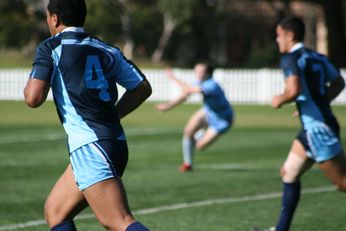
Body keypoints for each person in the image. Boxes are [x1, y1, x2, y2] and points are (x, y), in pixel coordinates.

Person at [24, 0, 152, 230]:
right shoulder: (107, 49)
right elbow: (142, 87)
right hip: (111, 141)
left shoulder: (51, 47)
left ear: (54, 18)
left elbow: (33, 99)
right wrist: (115, 114)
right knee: (56, 212)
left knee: (119, 222)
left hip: (91, 146)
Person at [254, 17, 346, 231]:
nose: (277, 41)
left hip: (318, 130)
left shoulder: (289, 59)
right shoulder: (317, 56)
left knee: (342, 183)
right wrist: (315, 103)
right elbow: (339, 82)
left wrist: (280, 98)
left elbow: (294, 89)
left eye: (278, 36)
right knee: (289, 172)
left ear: (289, 35)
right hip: (314, 126)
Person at [155, 63, 233, 172]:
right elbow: (185, 95)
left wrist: (173, 78)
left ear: (208, 73)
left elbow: (188, 90)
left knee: (200, 146)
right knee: (188, 130)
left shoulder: (212, 85)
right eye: (196, 71)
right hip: (208, 112)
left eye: (201, 72)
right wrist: (167, 106)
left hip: (222, 119)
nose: (197, 74)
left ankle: (201, 134)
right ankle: (188, 164)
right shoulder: (201, 83)